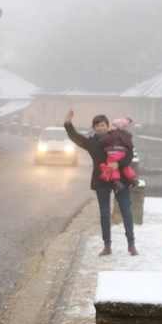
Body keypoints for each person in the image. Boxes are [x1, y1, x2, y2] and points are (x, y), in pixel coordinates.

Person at [64, 110, 138, 257]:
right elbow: (76, 138)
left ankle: (131, 244)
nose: (100, 128)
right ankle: (107, 245)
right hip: (102, 180)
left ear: (107, 125)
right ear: (93, 128)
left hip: (121, 180)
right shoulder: (92, 143)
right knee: (104, 213)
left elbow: (129, 154)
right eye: (97, 126)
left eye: (103, 125)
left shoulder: (118, 136)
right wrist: (68, 124)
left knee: (126, 211)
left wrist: (118, 164)